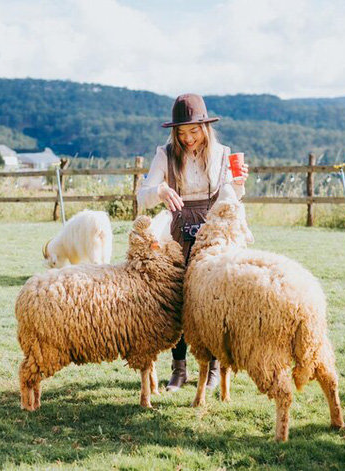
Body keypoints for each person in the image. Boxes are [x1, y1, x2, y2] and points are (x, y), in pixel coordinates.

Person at [137, 93, 249, 392]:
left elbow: (232, 196)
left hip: (213, 231)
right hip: (177, 230)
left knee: (211, 299)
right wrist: (159, 190)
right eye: (182, 132)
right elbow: (142, 195)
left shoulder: (224, 154)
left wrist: (238, 184)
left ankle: (211, 368)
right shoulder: (165, 154)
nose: (187, 138)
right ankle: (179, 369)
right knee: (179, 299)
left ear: (205, 127)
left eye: (193, 131)